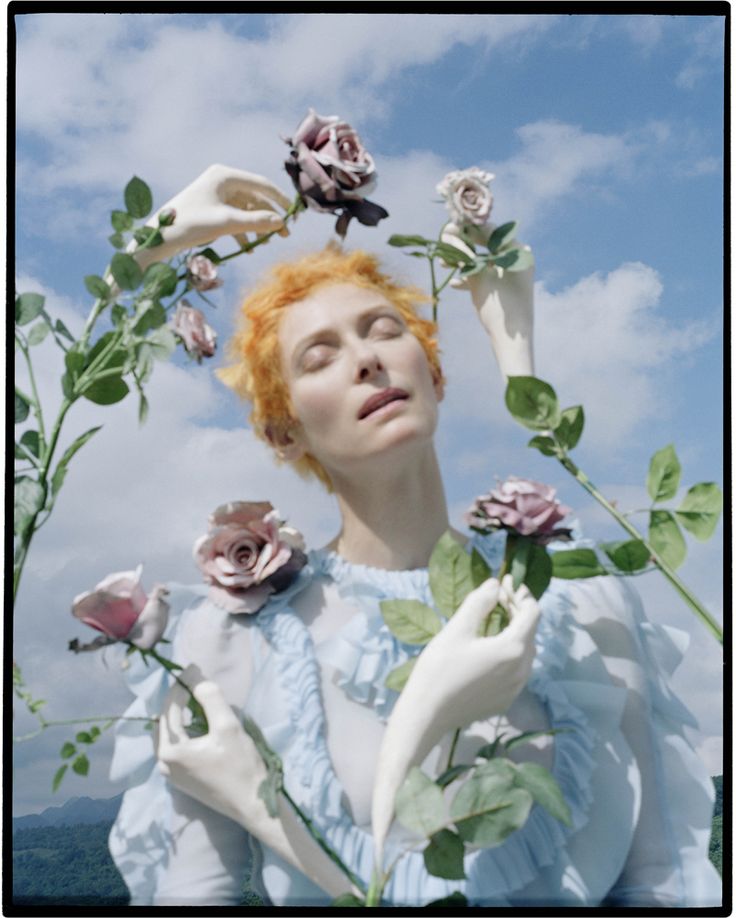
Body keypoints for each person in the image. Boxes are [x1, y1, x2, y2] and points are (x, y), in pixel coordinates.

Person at [107, 165, 721, 908]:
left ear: (434, 372)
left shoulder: (578, 589)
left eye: (384, 330)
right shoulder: (229, 637)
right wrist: (142, 253)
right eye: (319, 356)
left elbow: (667, 876)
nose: (366, 358)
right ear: (283, 428)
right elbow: (192, 895)